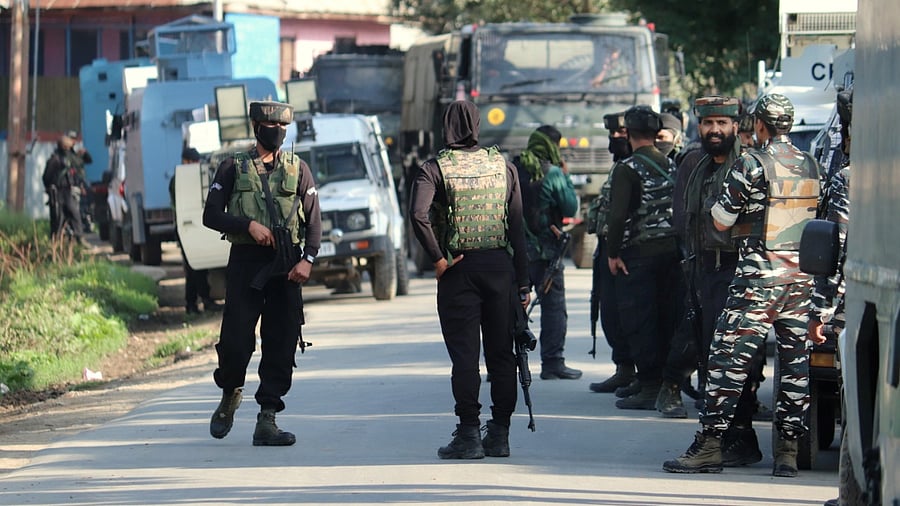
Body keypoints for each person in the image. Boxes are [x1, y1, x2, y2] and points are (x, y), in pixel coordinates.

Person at [663, 93, 826, 477]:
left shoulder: (751, 163)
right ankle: (787, 453)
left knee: (725, 363)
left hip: (757, 280)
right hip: (799, 280)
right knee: (796, 369)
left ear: (759, 125)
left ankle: (709, 446)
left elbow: (721, 219)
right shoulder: (811, 164)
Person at [409, 100, 530, 459]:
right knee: (502, 355)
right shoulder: (503, 166)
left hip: (459, 271)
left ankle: (468, 434)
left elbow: (418, 214)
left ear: (445, 126)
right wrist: (523, 283)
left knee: (465, 356)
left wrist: (438, 258)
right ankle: (500, 434)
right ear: (477, 125)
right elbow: (517, 227)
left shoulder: (434, 168)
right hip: (500, 270)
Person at [202, 100, 322, 447]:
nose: (277, 133)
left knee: (282, 341)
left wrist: (307, 260)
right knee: (236, 340)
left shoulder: (299, 168)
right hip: (246, 262)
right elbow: (211, 215)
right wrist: (248, 226)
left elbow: (314, 220)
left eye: (283, 127)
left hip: (286, 266)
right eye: (271, 127)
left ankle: (267, 417)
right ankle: (230, 391)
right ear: (256, 127)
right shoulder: (232, 167)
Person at [605, 105, 683, 410]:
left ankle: (650, 386)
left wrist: (613, 253)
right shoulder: (670, 164)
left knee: (640, 321)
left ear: (629, 133)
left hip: (638, 256)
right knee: (665, 319)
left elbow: (617, 217)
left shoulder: (627, 168)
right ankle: (660, 382)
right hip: (671, 254)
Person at [513, 125, 581, 380]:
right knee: (553, 309)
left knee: (509, 308)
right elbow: (570, 207)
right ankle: (552, 363)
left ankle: (501, 363)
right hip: (545, 253)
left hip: (514, 252)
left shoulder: (512, 169)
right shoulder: (553, 173)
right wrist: (565, 176)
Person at [588, 111, 635, 394]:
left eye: (621, 133)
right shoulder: (619, 165)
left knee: (629, 313)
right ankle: (623, 368)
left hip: (627, 250)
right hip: (607, 247)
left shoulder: (636, 167)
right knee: (609, 311)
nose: (616, 138)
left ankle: (638, 373)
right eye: (612, 134)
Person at [169, 147, 222, 314]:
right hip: (187, 228)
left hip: (192, 227)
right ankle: (199, 301)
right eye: (192, 161)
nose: (194, 164)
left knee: (196, 268)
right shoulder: (179, 180)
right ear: (185, 161)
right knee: (194, 269)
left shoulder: (181, 178)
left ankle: (194, 303)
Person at [42, 130, 91, 242]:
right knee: (58, 218)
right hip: (57, 193)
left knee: (75, 214)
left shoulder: (69, 158)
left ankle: (79, 237)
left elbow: (83, 163)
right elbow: (46, 177)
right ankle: (56, 241)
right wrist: (50, 187)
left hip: (68, 191)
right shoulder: (55, 159)